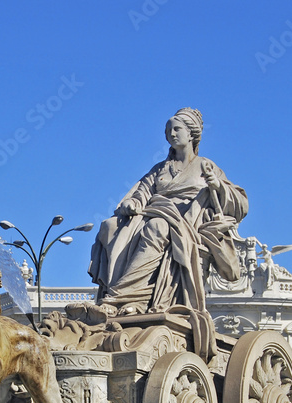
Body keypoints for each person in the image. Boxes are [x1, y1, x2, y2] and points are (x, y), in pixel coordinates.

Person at [88, 108, 248, 316]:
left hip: (188, 223)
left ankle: (122, 297)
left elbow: (241, 204)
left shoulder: (205, 166)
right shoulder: (160, 168)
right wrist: (133, 203)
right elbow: (142, 191)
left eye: (176, 129)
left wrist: (218, 186)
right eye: (168, 130)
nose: (171, 134)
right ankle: (124, 297)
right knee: (109, 226)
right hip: (155, 213)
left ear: (191, 133)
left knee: (157, 226)